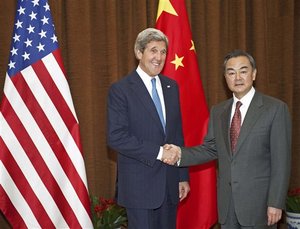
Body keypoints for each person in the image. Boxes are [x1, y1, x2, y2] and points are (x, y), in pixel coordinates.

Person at [162, 50, 291, 229]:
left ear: (254, 74)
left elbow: (281, 161)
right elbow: (210, 149)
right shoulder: (218, 111)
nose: (237, 77)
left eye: (243, 71)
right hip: (227, 206)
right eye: (231, 73)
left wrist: (276, 202)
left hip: (259, 207)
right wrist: (179, 153)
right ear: (225, 78)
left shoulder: (275, 109)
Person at [107, 28, 190, 229]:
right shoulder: (121, 90)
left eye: (163, 52)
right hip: (139, 188)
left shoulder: (172, 87)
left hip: (170, 185)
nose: (159, 57)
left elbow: (177, 134)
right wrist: (160, 153)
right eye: (153, 50)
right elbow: (116, 137)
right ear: (139, 52)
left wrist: (182, 176)